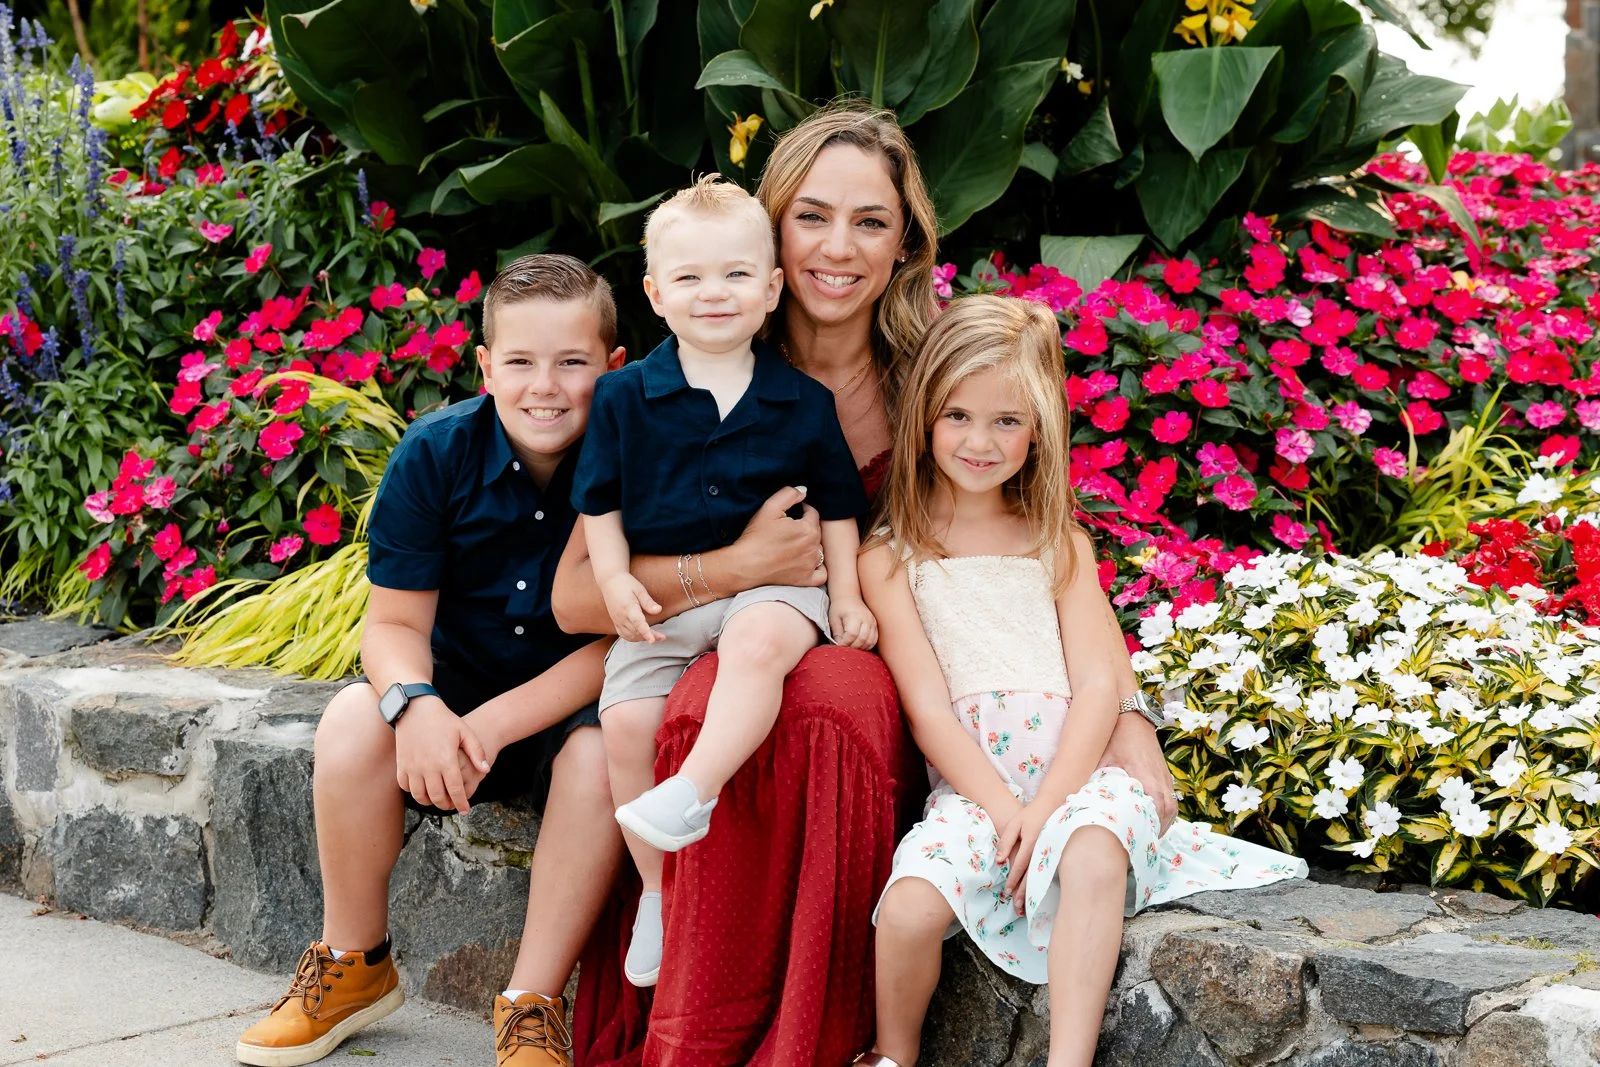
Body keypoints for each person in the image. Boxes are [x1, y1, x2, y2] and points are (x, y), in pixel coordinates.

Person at [554, 102, 1176, 1066]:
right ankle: (700, 1031)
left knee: (826, 698)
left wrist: (1125, 715)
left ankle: (812, 1042)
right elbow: (575, 600)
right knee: (727, 697)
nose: (836, 247)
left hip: (892, 683)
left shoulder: (942, 376)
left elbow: (1041, 543)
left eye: (870, 221)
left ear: (905, 244)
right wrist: (733, 568)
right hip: (704, 661)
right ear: (768, 235)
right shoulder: (695, 353)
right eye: (810, 215)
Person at [852, 296, 1308, 1067]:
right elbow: (927, 707)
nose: (980, 440)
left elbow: (1099, 684)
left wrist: (1051, 803)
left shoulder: (1056, 540)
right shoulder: (891, 556)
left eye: (1007, 421)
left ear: (1039, 430)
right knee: (904, 911)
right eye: (958, 415)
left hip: (1083, 772)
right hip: (976, 791)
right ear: (925, 413)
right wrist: (1007, 813)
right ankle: (892, 1055)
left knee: (1092, 854)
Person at [235, 254, 627, 1067]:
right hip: (451, 697)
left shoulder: (637, 465)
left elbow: (617, 640)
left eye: (573, 363)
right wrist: (415, 706)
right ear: (485, 366)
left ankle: (532, 1001)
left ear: (614, 367)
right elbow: (392, 623)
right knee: (351, 720)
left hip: (570, 712)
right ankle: (354, 961)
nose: (544, 385)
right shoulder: (436, 451)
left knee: (601, 758)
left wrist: (493, 724)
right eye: (519, 361)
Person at [572, 175, 876, 989]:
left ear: (773, 288)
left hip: (771, 594)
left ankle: (694, 790)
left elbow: (840, 507)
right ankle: (657, 893)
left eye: (739, 274)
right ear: (655, 293)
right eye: (692, 278)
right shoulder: (622, 398)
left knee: (760, 640)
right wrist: (612, 581)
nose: (716, 294)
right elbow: (598, 502)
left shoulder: (802, 402)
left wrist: (844, 595)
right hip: (671, 601)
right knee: (627, 723)